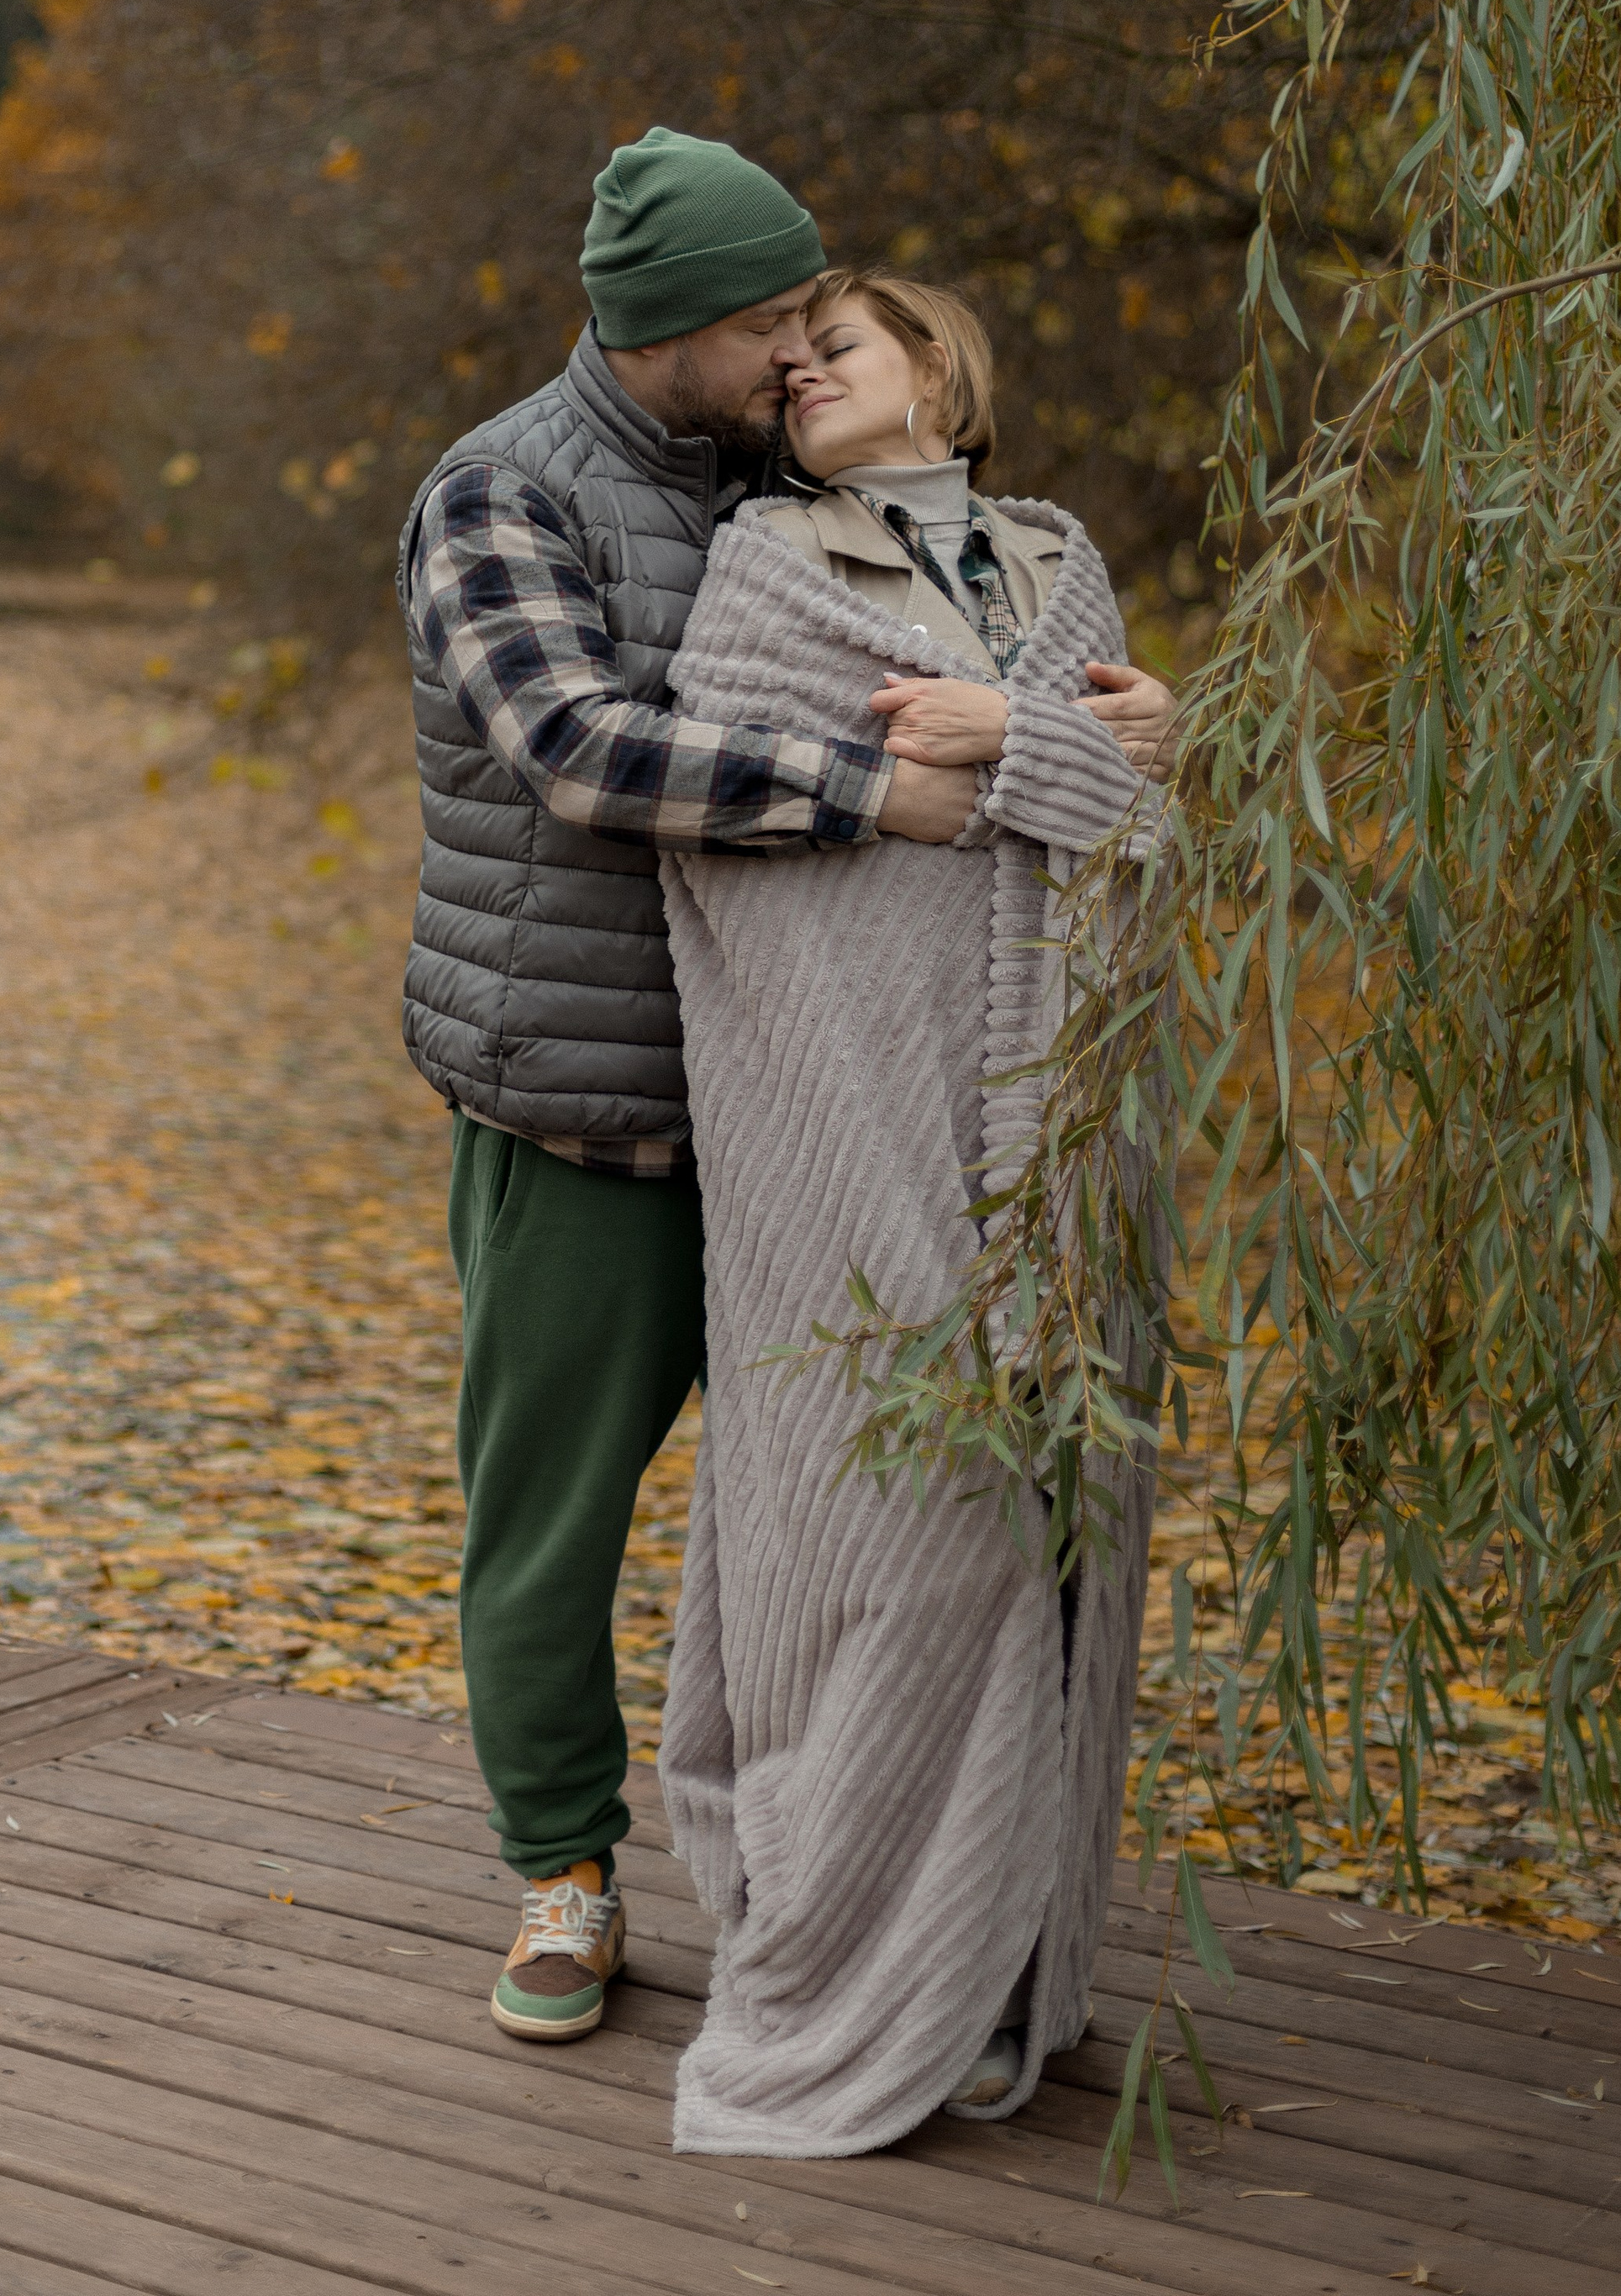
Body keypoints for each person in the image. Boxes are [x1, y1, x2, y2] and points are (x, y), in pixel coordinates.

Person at [397, 134, 971, 2046]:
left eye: (810, 313)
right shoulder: (498, 496)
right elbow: (575, 747)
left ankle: (844, 1890)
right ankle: (561, 1872)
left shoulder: (769, 476)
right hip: (578, 1117)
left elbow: (955, 621)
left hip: (794, 1115)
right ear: (664, 330)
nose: (804, 343)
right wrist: (864, 792)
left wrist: (1087, 712)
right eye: (770, 320)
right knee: (547, 1530)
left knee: (840, 1516)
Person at [655, 264, 1174, 2156]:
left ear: (942, 374)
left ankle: (992, 1978)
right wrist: (1005, 763)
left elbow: (1145, 819)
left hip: (1057, 1139)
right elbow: (716, 832)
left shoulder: (1059, 567)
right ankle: (832, 1960)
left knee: (1044, 1542)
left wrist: (1018, 741)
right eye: (784, 360)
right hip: (844, 1135)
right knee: (877, 1536)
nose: (798, 373)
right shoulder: (766, 569)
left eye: (838, 348)